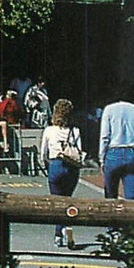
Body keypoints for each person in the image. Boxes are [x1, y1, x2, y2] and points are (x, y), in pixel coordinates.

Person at [40, 98, 84, 248]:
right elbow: (78, 151)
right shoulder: (75, 131)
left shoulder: (49, 130)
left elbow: (43, 154)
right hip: (71, 168)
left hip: (55, 165)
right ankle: (67, 227)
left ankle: (58, 234)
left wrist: (47, 165)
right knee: (68, 199)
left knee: (57, 201)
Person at [99, 91, 134, 200]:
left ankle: (112, 216)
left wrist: (101, 158)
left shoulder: (109, 109)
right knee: (131, 196)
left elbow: (104, 137)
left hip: (113, 152)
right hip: (132, 153)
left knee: (110, 195)